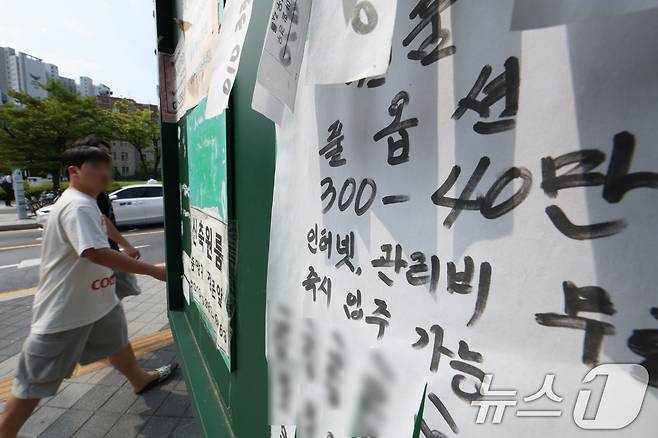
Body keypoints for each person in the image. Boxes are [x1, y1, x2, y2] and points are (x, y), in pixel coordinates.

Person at [0, 146, 176, 438]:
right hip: (65, 312)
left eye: (108, 167)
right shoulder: (77, 205)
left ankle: (139, 378)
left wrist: (128, 245)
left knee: (117, 340)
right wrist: (155, 271)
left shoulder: (85, 200)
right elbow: (95, 253)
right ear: (74, 171)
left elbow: (102, 224)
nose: (106, 174)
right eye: (97, 167)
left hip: (96, 299)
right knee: (32, 382)